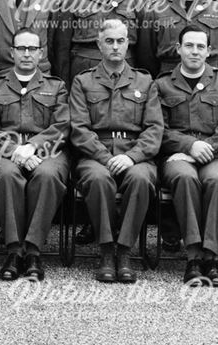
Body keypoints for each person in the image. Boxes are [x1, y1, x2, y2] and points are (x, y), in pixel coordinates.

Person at [69, 19, 162, 283]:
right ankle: (106, 250)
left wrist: (131, 157)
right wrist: (106, 158)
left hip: (135, 153)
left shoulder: (144, 81)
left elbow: (154, 129)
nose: (115, 46)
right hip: (95, 155)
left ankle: (125, 251)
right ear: (99, 45)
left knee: (141, 179)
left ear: (128, 44)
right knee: (99, 179)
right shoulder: (83, 81)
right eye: (109, 41)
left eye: (120, 41)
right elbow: (79, 128)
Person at [153, 25, 218, 286]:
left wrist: (204, 149)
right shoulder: (162, 84)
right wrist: (189, 146)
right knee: (184, 178)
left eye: (200, 46)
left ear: (209, 50)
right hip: (177, 156)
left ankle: (210, 257)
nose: (195, 51)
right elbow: (158, 128)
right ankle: (193, 256)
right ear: (178, 49)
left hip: (216, 153)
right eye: (189, 46)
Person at [0, 28, 69, 282]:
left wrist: (34, 146)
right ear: (12, 52)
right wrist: (16, 150)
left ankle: (33, 251)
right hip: (4, 152)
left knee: (48, 175)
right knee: (7, 175)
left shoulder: (56, 86)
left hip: (46, 152)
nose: (27, 54)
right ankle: (13, 250)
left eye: (32, 49)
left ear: (41, 53)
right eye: (21, 49)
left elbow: (62, 126)